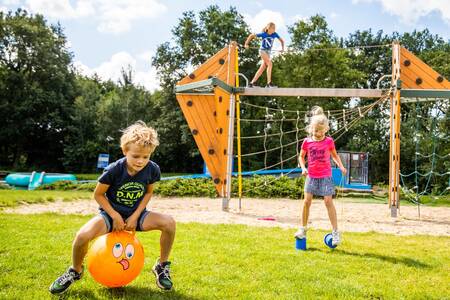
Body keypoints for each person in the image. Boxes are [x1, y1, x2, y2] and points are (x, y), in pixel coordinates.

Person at [49, 121, 176, 294]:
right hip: (110, 214)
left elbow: (148, 193)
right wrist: (115, 215)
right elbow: (98, 195)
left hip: (136, 215)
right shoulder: (114, 169)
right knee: (82, 236)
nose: (141, 161)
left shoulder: (153, 169)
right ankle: (75, 270)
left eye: (146, 157)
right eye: (136, 156)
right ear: (125, 151)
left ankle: (161, 267)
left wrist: (135, 216)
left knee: (169, 223)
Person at [295, 106, 347, 246]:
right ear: (311, 128)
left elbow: (334, 155)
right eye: (315, 130)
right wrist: (303, 168)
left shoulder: (329, 141)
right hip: (311, 176)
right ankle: (303, 229)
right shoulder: (307, 142)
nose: (317, 133)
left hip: (325, 176)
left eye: (320, 130)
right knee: (307, 202)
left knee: (328, 202)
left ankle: (335, 232)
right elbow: (301, 157)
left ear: (326, 129)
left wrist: (341, 166)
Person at [244, 22, 285, 88]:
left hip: (268, 52)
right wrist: (246, 44)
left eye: (275, 28)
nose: (274, 30)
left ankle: (251, 83)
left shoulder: (275, 34)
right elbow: (251, 36)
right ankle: (269, 83)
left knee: (262, 68)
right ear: (268, 28)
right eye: (273, 28)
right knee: (270, 64)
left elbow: (282, 41)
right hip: (262, 51)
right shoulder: (263, 34)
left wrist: (282, 49)